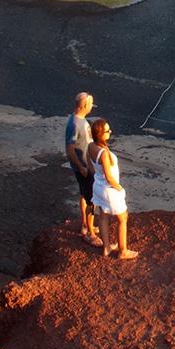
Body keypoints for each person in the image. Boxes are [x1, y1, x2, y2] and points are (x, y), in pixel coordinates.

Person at [87, 117, 139, 260]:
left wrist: (98, 178)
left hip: (98, 187)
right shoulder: (103, 153)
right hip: (109, 189)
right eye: (107, 131)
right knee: (123, 218)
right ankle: (123, 251)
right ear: (100, 134)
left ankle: (107, 247)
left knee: (103, 216)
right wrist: (120, 188)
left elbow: (90, 166)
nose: (110, 132)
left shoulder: (91, 146)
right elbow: (109, 177)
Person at [65, 91, 101, 246]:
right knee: (91, 199)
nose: (92, 106)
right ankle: (90, 234)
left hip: (85, 165)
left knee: (84, 195)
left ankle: (86, 225)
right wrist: (81, 166)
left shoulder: (79, 120)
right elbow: (70, 148)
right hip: (84, 167)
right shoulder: (75, 124)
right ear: (85, 105)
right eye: (90, 104)